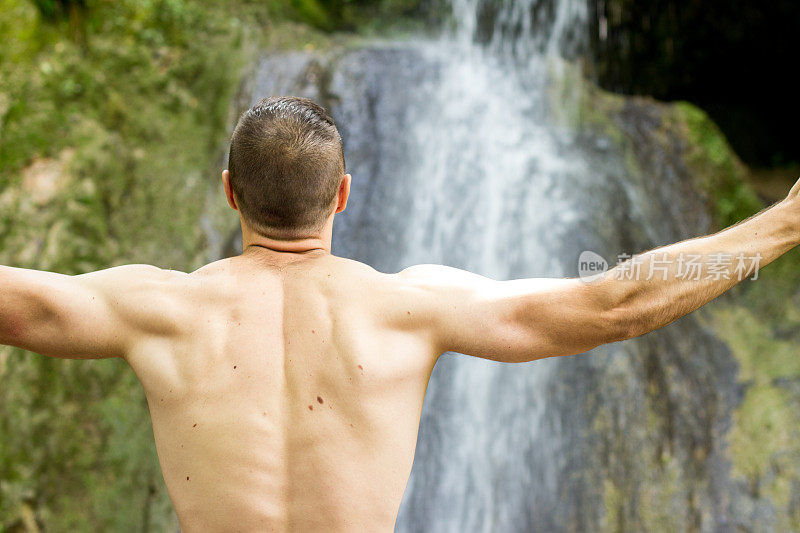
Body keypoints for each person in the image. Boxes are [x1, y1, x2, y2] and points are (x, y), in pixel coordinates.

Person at [1, 95, 797, 532]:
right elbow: (614, 302)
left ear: (228, 191)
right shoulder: (410, 307)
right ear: (344, 194)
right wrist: (785, 221)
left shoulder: (157, 309)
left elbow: (18, 306)